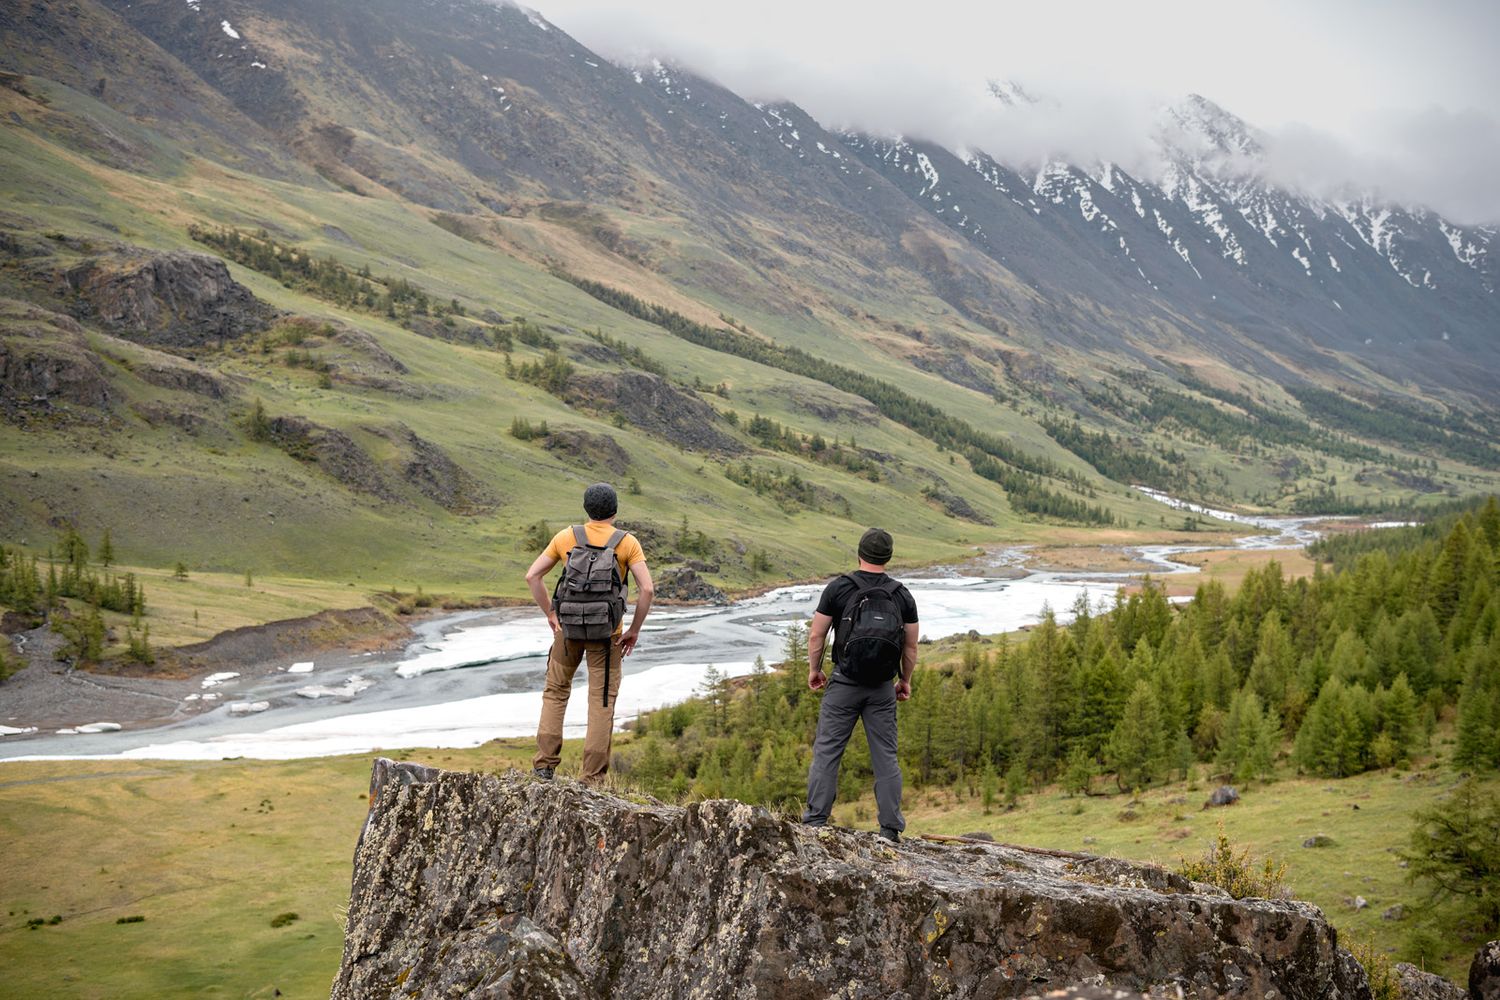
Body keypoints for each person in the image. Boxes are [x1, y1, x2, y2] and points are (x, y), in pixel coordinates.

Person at [525, 482, 654, 783]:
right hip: (608, 636)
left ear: (586, 509)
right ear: (615, 510)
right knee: (602, 701)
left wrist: (551, 613)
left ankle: (544, 766)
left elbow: (532, 576)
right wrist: (633, 630)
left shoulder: (565, 537)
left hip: (567, 632)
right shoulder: (627, 543)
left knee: (556, 692)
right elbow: (647, 589)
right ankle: (591, 779)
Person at [802, 527, 919, 843]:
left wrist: (815, 669)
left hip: (844, 683)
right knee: (885, 756)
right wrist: (904, 680)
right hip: (882, 687)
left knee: (827, 751)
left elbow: (816, 636)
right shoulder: (902, 595)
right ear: (888, 557)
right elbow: (910, 647)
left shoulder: (839, 588)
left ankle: (815, 822)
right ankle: (890, 828)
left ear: (859, 553)